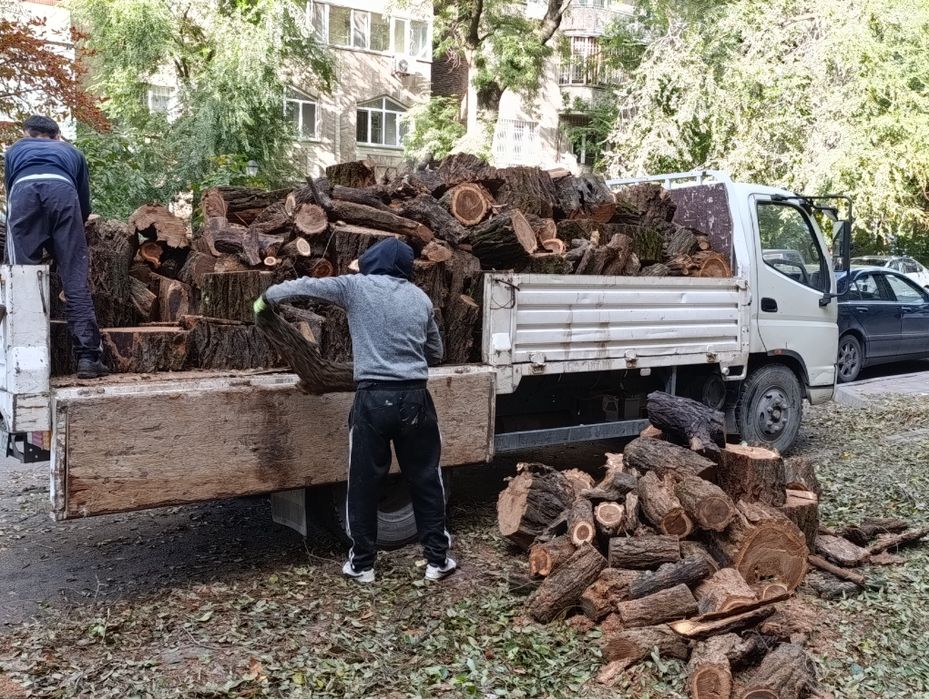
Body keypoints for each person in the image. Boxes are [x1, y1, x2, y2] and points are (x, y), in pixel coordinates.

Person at [255, 238, 455, 583]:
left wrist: (266, 299)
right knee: (426, 480)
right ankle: (437, 561)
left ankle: (362, 566)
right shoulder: (420, 298)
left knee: (363, 484)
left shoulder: (354, 287)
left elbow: (306, 286)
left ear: (373, 262)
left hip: (372, 400)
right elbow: (435, 352)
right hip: (415, 399)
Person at [3, 115, 108, 378]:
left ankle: (25, 362)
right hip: (64, 194)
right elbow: (83, 204)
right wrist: (64, 240)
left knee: (20, 278)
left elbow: (11, 191)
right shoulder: (72, 152)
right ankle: (88, 358)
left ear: (26, 133)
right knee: (74, 280)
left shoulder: (14, 150)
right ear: (57, 136)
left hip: (24, 194)